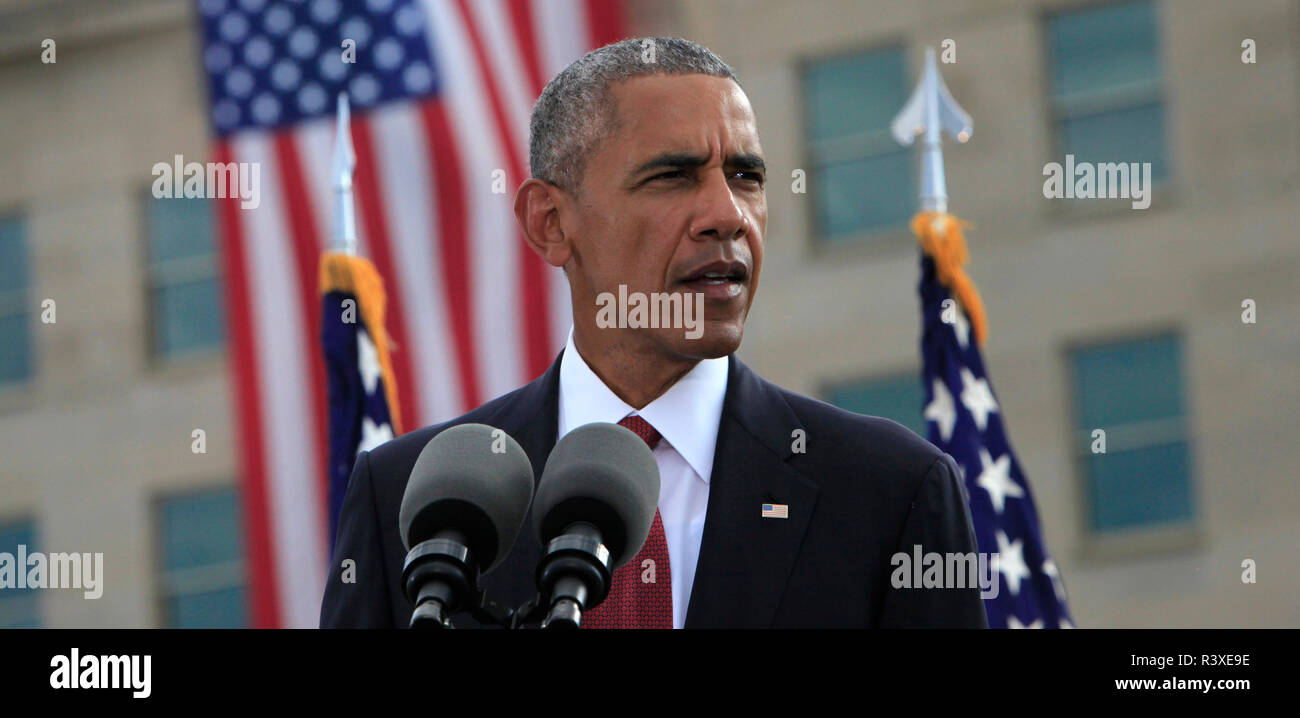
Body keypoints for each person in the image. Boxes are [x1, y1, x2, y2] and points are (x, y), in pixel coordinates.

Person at [320, 37, 987, 629]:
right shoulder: (407, 500)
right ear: (550, 222)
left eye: (746, 177)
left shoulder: (890, 490)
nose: (727, 214)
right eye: (672, 176)